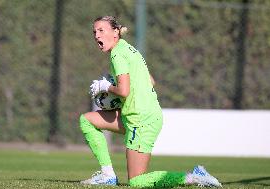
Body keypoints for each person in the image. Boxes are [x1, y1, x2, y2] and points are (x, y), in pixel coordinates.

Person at [79, 15, 222, 188]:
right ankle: (107, 175)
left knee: (137, 182)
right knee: (87, 120)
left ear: (115, 32)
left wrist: (106, 87)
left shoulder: (117, 54)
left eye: (101, 30)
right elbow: (151, 81)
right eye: (95, 32)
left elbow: (123, 91)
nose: (97, 35)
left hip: (140, 120)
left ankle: (193, 176)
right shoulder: (128, 49)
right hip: (139, 115)